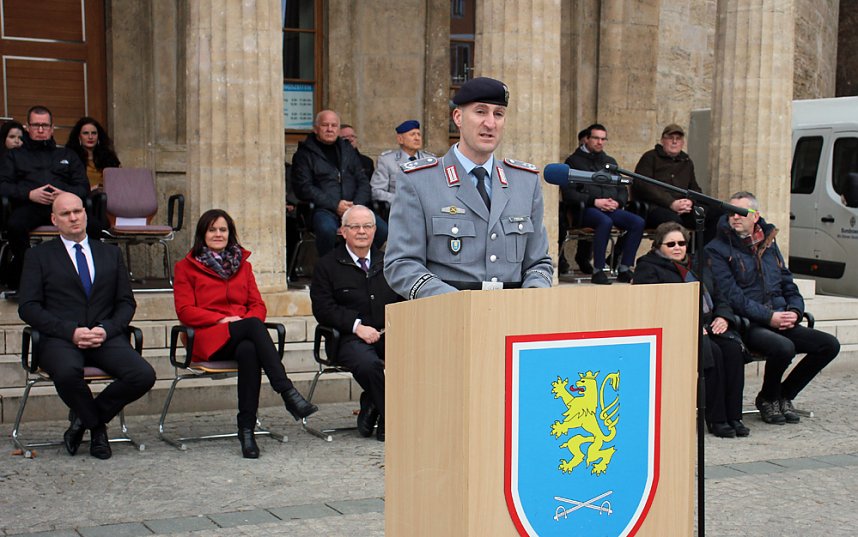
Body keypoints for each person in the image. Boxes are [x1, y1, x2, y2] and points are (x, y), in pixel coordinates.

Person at [384, 76, 553, 299]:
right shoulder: (419, 180)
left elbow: (538, 263)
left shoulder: (525, 181)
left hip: (511, 314)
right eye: (480, 112)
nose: (490, 123)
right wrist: (457, 303)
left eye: (498, 114)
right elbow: (401, 264)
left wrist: (531, 298)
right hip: (447, 312)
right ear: (458, 117)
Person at [17, 193, 156, 459]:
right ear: (54, 219)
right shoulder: (38, 256)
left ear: (85, 214)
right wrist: (70, 331)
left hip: (104, 336)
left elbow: (126, 302)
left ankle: (82, 421)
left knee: (143, 375)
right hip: (60, 338)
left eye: (77, 211)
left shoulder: (110, 253)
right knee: (67, 373)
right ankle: (98, 429)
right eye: (66, 214)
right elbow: (29, 307)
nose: (73, 218)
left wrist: (106, 329)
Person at [173, 209, 318, 458]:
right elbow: (185, 311)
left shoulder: (243, 266)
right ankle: (287, 392)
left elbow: (257, 305)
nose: (218, 234)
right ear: (202, 234)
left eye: (223, 229)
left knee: (249, 349)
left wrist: (242, 322)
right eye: (212, 230)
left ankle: (247, 430)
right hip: (207, 338)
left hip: (241, 334)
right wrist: (222, 319)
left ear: (230, 233)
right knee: (252, 326)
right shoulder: (186, 267)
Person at [705, 192, 840, 425]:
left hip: (779, 317)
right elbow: (731, 296)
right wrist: (769, 317)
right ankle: (768, 398)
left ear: (755, 216)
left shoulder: (769, 244)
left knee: (829, 345)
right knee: (784, 347)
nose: (735, 217)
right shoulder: (717, 248)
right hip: (748, 323)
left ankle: (783, 395)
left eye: (741, 213)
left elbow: (788, 283)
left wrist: (795, 311)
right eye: (731, 213)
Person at [634, 222, 749, 438]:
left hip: (708, 324)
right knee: (712, 352)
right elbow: (650, 307)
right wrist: (690, 324)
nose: (678, 248)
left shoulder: (698, 264)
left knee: (733, 350)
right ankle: (716, 419)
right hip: (676, 330)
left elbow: (720, 296)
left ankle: (734, 416)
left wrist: (723, 317)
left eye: (681, 243)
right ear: (658, 246)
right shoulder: (648, 268)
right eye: (671, 244)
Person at [310, 205, 399, 441]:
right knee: (370, 365)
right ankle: (390, 419)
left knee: (414, 359)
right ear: (342, 231)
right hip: (347, 338)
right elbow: (323, 308)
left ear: (375, 230)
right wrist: (357, 326)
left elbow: (404, 298)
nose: (362, 231)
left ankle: (372, 403)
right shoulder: (326, 265)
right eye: (355, 226)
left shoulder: (389, 262)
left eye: (367, 226)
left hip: (388, 334)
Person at [0, 105, 89, 298]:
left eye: (45, 125)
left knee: (96, 226)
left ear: (52, 127)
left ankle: (88, 280)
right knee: (14, 225)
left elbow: (83, 188)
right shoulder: (14, 156)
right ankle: (29, 279)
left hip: (64, 208)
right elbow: (3, 185)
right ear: (27, 127)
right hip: (30, 206)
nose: (41, 130)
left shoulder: (67, 155)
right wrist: (29, 194)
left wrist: (64, 194)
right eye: (36, 125)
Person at [562, 123, 643, 284]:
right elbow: (569, 193)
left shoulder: (609, 161)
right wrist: (595, 201)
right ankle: (598, 270)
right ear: (586, 139)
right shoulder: (573, 161)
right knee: (605, 222)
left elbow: (622, 188)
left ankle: (624, 268)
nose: (600, 142)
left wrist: (618, 202)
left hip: (611, 208)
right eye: (596, 138)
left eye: (603, 139)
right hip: (585, 210)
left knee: (637, 222)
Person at [291, 110, 379, 257]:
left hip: (354, 207)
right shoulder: (304, 154)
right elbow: (304, 187)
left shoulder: (348, 150)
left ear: (338, 129)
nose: (330, 129)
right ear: (316, 129)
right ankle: (330, 266)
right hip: (323, 208)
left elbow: (363, 181)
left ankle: (357, 261)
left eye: (334, 125)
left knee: (382, 229)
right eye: (325, 125)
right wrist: (335, 205)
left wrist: (355, 206)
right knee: (327, 230)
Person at [632, 123, 721, 243]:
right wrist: (671, 203)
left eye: (678, 139)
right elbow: (643, 185)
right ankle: (674, 251)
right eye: (670, 138)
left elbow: (695, 189)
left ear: (682, 142)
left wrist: (690, 202)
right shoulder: (650, 157)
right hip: (656, 208)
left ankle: (696, 251)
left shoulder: (687, 162)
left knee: (717, 213)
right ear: (662, 140)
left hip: (684, 210)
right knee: (674, 223)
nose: (674, 142)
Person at [370, 119, 434, 208]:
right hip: (399, 209)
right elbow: (376, 192)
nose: (417, 138)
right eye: (412, 134)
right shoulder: (387, 160)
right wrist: (401, 200)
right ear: (400, 139)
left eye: (419, 134)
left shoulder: (430, 160)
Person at [66, 117, 121, 191]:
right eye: (86, 133)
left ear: (98, 136)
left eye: (94, 133)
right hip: (81, 197)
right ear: (79, 137)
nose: (90, 137)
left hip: (108, 196)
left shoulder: (110, 159)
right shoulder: (71, 159)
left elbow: (120, 183)